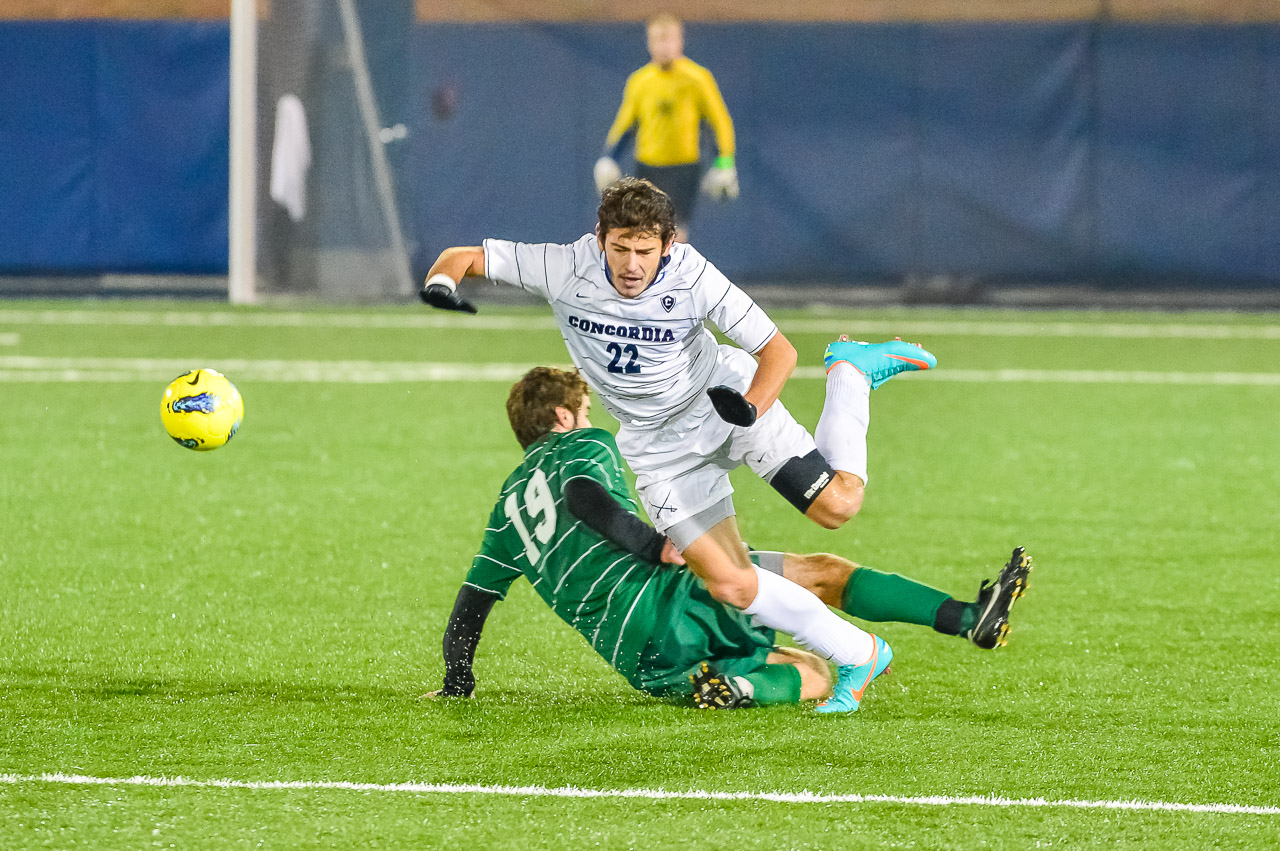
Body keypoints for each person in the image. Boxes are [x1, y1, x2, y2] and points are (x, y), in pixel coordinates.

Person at [419, 177, 948, 712]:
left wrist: (750, 409)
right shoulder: (563, 266)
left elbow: (778, 353)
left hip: (725, 403)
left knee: (837, 506)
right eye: (619, 247)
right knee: (730, 584)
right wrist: (442, 282)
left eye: (644, 252)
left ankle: (849, 373)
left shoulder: (694, 276)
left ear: (667, 246)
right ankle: (861, 654)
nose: (630, 264)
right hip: (658, 451)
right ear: (599, 237)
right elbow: (461, 256)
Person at [427, 367, 1033, 710]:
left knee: (811, 665)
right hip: (673, 593)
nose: (592, 419)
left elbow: (470, 606)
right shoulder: (580, 445)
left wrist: (459, 681)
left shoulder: (506, 511)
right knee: (823, 576)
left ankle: (739, 686)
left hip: (637, 659)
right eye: (584, 409)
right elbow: (586, 497)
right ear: (562, 418)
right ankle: (961, 617)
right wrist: (650, 543)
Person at [594, 14, 738, 240]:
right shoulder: (639, 82)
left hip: (684, 168)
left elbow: (719, 122)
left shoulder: (698, 79)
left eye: (669, 39)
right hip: (649, 167)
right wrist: (609, 157)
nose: (665, 46)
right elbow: (625, 125)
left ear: (680, 42)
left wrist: (725, 162)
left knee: (675, 232)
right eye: (659, 40)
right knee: (647, 231)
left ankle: (673, 275)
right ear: (649, 44)